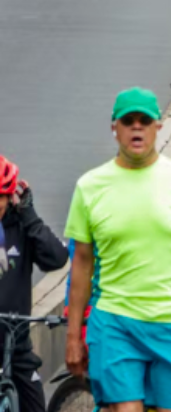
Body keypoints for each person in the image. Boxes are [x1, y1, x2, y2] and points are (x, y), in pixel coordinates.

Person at [65, 87, 171, 412]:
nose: (136, 127)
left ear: (157, 127)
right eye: (128, 121)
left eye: (144, 121)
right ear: (115, 128)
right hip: (115, 323)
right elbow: (81, 264)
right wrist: (72, 337)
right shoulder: (90, 186)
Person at [0, 157, 67, 412]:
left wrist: (30, 215)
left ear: (10, 196)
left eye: (0, 196)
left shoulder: (21, 226)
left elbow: (57, 259)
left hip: (16, 346)